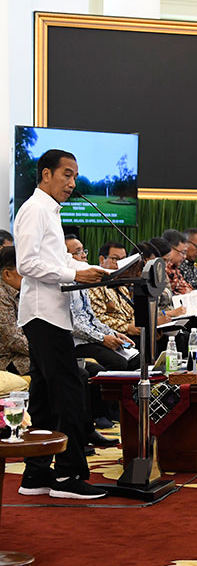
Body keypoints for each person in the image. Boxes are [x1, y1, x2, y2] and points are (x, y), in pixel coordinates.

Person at [14, 149, 107, 499]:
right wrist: (74, 272)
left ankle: (35, 475)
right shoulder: (36, 209)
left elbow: (53, 258)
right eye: (66, 175)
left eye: (74, 176)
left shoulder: (50, 211)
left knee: (42, 396)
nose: (72, 183)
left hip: (50, 313)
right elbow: (27, 264)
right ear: (45, 174)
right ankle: (67, 476)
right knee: (68, 391)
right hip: (44, 313)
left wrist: (102, 272)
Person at [66, 235, 139, 371]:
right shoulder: (65, 285)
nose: (83, 256)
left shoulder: (82, 283)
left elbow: (91, 318)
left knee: (136, 358)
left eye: (83, 251)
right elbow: (74, 325)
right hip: (77, 343)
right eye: (77, 252)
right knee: (118, 363)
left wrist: (113, 334)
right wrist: (103, 338)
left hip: (93, 338)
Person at [0, 246, 30, 375]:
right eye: (25, 271)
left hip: (26, 355)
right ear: (7, 274)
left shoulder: (21, 292)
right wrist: (46, 349)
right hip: (10, 360)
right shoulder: (1, 296)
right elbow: (13, 339)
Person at [162, 229, 193, 295]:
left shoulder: (175, 268)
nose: (184, 257)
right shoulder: (162, 268)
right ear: (170, 249)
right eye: (183, 252)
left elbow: (187, 289)